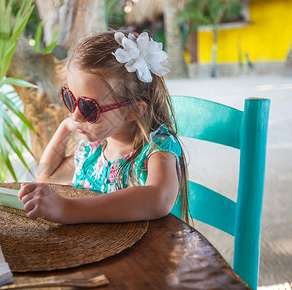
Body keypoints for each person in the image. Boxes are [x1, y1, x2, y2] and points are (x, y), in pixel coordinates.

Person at [18, 30, 189, 224]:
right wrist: (64, 128)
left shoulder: (157, 149)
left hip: (147, 251)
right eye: (70, 99)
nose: (76, 115)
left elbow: (158, 199)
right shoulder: (92, 152)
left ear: (133, 110)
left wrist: (68, 209)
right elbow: (46, 177)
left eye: (88, 107)